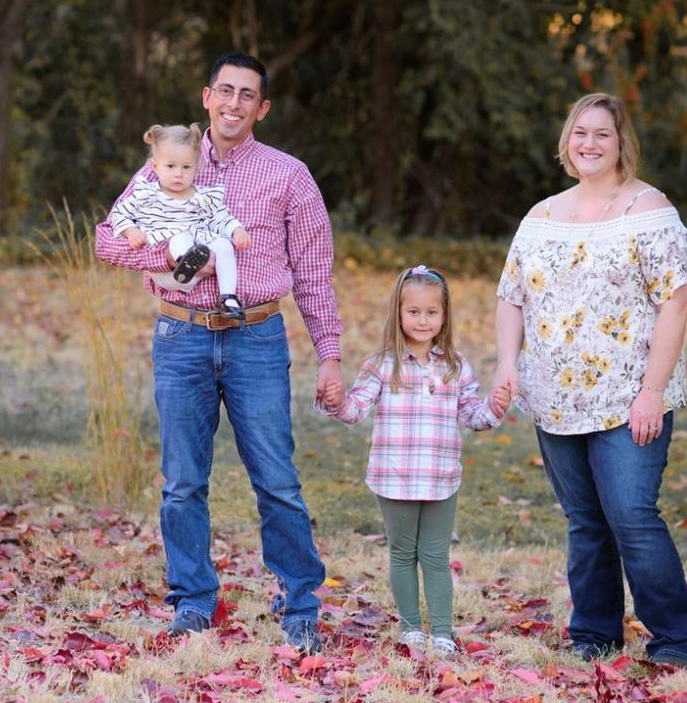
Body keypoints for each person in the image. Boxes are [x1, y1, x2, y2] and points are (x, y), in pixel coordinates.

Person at [95, 52, 344, 654]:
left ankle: (299, 605)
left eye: (247, 95)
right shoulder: (167, 164)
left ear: (262, 108)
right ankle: (192, 601)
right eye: (224, 91)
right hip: (181, 336)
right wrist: (173, 260)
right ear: (207, 96)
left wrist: (330, 354)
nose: (233, 103)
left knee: (277, 479)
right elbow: (108, 241)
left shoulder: (288, 174)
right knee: (182, 482)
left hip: (256, 337)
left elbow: (313, 272)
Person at [491, 92, 687, 668]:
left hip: (629, 397)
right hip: (555, 399)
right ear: (567, 141)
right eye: (580, 132)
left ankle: (675, 642)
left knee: (632, 516)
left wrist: (653, 391)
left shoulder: (647, 208)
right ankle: (594, 633)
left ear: (620, 144)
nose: (589, 143)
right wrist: (508, 365)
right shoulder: (541, 216)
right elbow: (512, 298)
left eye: (602, 134)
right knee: (585, 521)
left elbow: (676, 304)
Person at [316, 266, 511, 656]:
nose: (423, 320)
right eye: (414, 312)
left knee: (436, 555)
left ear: (444, 315)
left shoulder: (456, 365)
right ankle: (410, 629)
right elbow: (355, 410)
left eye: (432, 313)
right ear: (399, 313)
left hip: (440, 477)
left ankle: (441, 631)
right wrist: (336, 401)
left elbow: (473, 415)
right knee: (403, 553)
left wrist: (493, 408)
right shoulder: (383, 364)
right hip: (395, 476)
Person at [106, 123, 251, 318]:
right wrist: (131, 231)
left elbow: (222, 217)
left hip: (200, 250)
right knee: (181, 235)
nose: (178, 173)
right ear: (155, 166)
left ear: (197, 168)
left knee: (224, 245)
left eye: (186, 167)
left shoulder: (203, 197)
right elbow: (119, 214)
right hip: (168, 271)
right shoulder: (147, 194)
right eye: (171, 166)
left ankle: (228, 298)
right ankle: (186, 261)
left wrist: (237, 230)